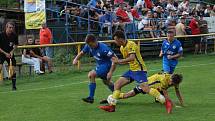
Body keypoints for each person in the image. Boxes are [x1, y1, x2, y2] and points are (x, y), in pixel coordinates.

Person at [99, 30, 165, 112]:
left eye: (116, 40)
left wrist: (118, 61)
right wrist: (117, 62)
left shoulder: (131, 44)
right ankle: (112, 107)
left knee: (145, 89)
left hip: (139, 70)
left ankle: (165, 101)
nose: (115, 42)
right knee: (117, 84)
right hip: (131, 71)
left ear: (121, 39)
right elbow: (127, 61)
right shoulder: (122, 48)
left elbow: (132, 58)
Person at [73, 34, 116, 103]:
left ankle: (91, 97)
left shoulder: (104, 49)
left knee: (91, 74)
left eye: (91, 45)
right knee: (106, 82)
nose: (90, 47)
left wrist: (110, 72)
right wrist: (76, 59)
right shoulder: (89, 45)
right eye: (89, 45)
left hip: (107, 66)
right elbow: (82, 53)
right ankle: (116, 95)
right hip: (100, 65)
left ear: (95, 41)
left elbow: (115, 59)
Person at [117, 73, 184, 107]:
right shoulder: (164, 80)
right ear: (171, 78)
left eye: (172, 83)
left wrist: (182, 103)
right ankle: (113, 97)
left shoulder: (175, 81)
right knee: (129, 94)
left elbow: (178, 92)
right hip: (145, 85)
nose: (170, 83)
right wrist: (174, 105)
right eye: (171, 81)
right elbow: (166, 95)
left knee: (161, 95)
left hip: (155, 87)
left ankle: (157, 99)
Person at [0, 21, 18, 90]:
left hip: (10, 54)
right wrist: (5, 53)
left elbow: (16, 45)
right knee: (0, 67)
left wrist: (12, 51)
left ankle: (14, 86)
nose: (11, 29)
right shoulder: (1, 35)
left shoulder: (14, 35)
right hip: (2, 53)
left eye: (12, 28)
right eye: (10, 27)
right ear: (6, 27)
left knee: (13, 70)